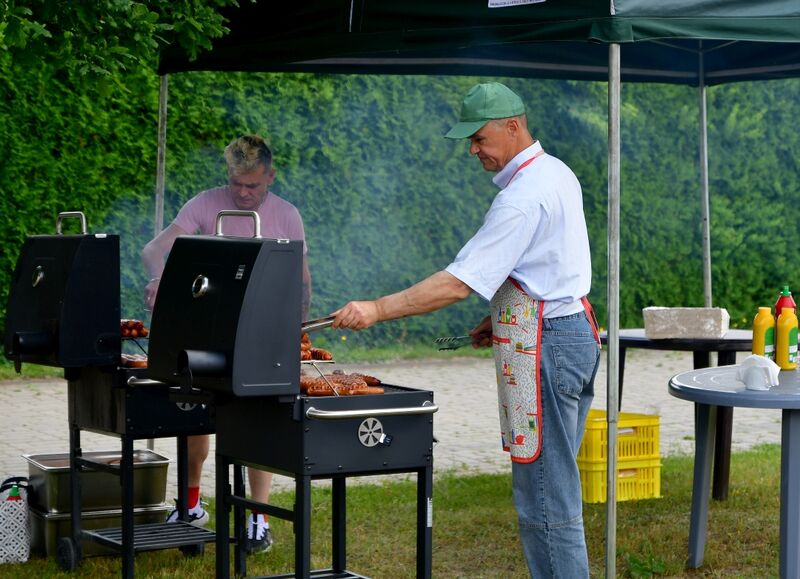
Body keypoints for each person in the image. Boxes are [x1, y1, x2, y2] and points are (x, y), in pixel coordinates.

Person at [331, 82, 600, 578]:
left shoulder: (522, 197)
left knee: (545, 495)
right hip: (569, 333)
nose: (473, 150)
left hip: (548, 347)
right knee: (554, 484)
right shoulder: (555, 171)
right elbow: (549, 264)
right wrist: (501, 316)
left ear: (513, 126)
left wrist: (376, 308)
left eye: (479, 138)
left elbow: (457, 284)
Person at [142, 134, 312, 555]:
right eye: (236, 182)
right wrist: (162, 278)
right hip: (207, 334)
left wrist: (298, 326)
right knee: (194, 421)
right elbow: (154, 249)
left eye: (252, 185)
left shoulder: (287, 215)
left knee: (256, 425)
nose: (242, 192)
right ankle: (192, 506)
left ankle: (258, 518)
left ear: (270, 177)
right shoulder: (205, 203)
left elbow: (302, 279)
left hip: (262, 336)